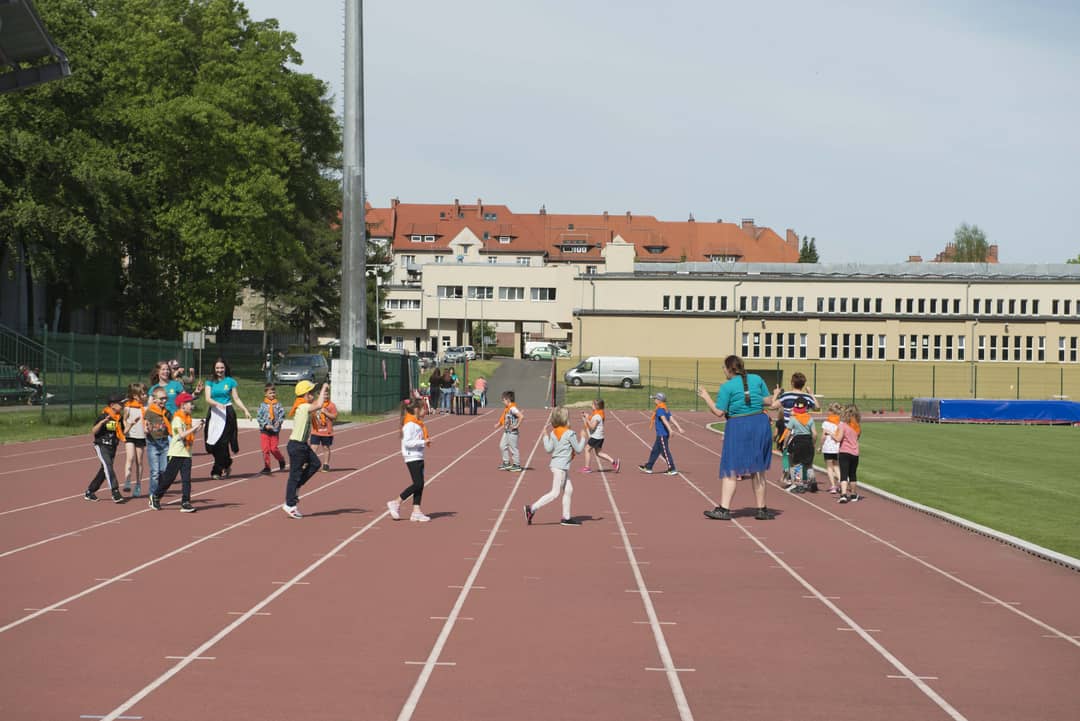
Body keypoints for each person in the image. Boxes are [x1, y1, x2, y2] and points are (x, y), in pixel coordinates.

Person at [697, 355, 775, 521]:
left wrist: (706, 396)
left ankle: (724, 509)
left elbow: (719, 412)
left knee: (730, 468)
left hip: (738, 425)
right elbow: (769, 401)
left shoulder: (727, 387)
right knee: (758, 470)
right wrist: (752, 398)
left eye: (723, 368)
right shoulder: (757, 379)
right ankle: (762, 509)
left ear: (728, 369)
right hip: (760, 424)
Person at [523, 406, 587, 526]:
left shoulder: (553, 432)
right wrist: (583, 437)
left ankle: (566, 517)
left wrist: (545, 436)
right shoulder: (570, 434)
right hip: (561, 468)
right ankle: (531, 509)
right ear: (565, 419)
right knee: (555, 493)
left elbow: (548, 449)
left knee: (568, 490)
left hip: (557, 466)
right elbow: (578, 450)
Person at [149, 392, 203, 513]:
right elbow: (181, 435)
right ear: (183, 405)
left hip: (187, 453)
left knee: (186, 479)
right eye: (190, 403)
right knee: (169, 478)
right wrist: (194, 427)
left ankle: (185, 502)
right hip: (176, 454)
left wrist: (199, 427)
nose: (192, 406)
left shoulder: (187, 419)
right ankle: (156, 496)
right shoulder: (178, 419)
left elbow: (190, 434)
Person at [282, 380, 328, 519]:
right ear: (306, 395)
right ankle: (290, 505)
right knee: (294, 476)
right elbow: (319, 405)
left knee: (315, 464)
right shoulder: (303, 406)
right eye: (312, 392)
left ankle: (297, 486)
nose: (313, 395)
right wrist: (324, 387)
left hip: (302, 445)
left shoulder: (305, 407)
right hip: (297, 446)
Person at [203, 357, 251, 479]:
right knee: (212, 444)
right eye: (217, 368)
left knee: (223, 443)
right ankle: (227, 462)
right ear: (214, 369)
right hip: (214, 413)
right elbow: (207, 398)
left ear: (225, 368)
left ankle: (216, 471)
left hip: (227, 413)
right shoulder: (209, 381)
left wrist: (245, 410)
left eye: (222, 368)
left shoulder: (230, 381)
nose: (219, 370)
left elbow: (236, 398)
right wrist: (217, 404)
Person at [387, 397, 432, 522]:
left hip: (418, 455)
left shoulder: (417, 424)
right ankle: (396, 502)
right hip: (411, 456)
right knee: (418, 483)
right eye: (424, 408)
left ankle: (416, 511)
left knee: (420, 484)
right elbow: (407, 443)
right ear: (416, 410)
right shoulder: (410, 425)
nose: (425, 411)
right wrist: (423, 442)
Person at [773, 372, 818, 487]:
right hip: (805, 431)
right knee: (806, 460)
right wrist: (811, 394)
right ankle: (809, 480)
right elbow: (817, 407)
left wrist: (776, 394)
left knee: (793, 460)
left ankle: (797, 483)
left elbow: (773, 406)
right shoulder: (807, 397)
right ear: (803, 384)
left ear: (792, 383)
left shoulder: (786, 396)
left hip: (791, 431)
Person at [84, 393, 128, 504]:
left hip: (112, 447)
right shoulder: (104, 416)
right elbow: (94, 431)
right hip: (102, 445)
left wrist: (131, 424)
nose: (123, 406)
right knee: (108, 466)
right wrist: (102, 423)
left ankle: (90, 491)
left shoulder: (119, 418)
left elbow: (122, 433)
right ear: (112, 405)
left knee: (105, 470)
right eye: (121, 404)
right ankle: (115, 491)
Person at [638, 392, 682, 475]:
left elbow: (664, 420)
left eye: (655, 398)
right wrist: (679, 427)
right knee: (655, 451)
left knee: (665, 452)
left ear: (659, 400)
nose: (654, 400)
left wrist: (670, 430)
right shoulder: (665, 408)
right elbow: (672, 418)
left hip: (662, 435)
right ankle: (649, 467)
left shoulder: (660, 410)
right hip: (661, 434)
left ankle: (672, 469)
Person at [782, 398, 818, 493]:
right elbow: (815, 434)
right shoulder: (810, 419)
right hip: (808, 441)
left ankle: (799, 485)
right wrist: (813, 443)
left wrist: (785, 444)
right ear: (806, 408)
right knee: (809, 464)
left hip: (798, 441)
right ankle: (812, 480)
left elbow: (788, 433)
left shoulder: (793, 419)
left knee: (796, 464)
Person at [144, 386, 172, 498]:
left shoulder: (167, 413)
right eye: (161, 399)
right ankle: (153, 495)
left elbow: (171, 424)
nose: (164, 401)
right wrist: (147, 429)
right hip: (153, 444)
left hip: (164, 443)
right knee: (154, 472)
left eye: (165, 398)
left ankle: (159, 491)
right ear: (154, 399)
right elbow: (145, 426)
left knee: (164, 470)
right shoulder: (150, 412)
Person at [121, 382, 148, 497]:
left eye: (146, 393)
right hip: (130, 435)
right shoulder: (128, 407)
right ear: (136, 396)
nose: (145, 395)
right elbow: (124, 419)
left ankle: (138, 485)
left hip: (141, 436)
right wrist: (127, 427)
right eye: (143, 394)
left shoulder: (146, 407)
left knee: (139, 461)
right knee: (130, 458)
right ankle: (127, 481)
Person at [580, 398, 619, 473]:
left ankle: (587, 468)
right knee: (598, 453)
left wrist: (587, 419)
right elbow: (589, 424)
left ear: (596, 406)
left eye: (592, 404)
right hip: (599, 437)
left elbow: (592, 427)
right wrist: (585, 418)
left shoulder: (597, 416)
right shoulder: (596, 414)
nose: (591, 405)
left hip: (596, 437)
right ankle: (614, 462)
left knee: (587, 449)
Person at [834, 404, 863, 504]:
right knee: (853, 474)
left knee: (844, 474)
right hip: (855, 453)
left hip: (844, 452)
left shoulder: (842, 425)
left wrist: (832, 434)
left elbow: (838, 439)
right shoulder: (857, 426)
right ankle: (853, 494)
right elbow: (857, 437)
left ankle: (843, 494)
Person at [257, 383, 287, 475]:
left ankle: (281, 459)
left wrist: (279, 422)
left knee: (273, 449)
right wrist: (265, 425)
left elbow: (282, 415)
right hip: (265, 430)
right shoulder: (262, 405)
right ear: (265, 394)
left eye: (273, 393)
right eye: (270, 393)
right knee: (265, 449)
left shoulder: (278, 405)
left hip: (274, 430)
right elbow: (259, 417)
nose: (272, 394)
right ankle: (267, 467)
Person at [310, 383, 338, 471]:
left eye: (327, 394)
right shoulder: (314, 404)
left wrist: (326, 412)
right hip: (316, 431)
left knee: (326, 447)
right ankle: (310, 462)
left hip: (327, 432)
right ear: (319, 396)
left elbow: (334, 417)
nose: (326, 396)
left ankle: (326, 464)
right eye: (324, 395)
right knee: (313, 447)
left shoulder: (331, 405)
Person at [495, 390, 524, 471]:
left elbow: (521, 416)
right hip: (506, 431)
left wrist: (516, 425)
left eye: (503, 400)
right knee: (502, 445)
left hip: (512, 432)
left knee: (513, 448)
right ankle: (506, 462)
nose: (502, 401)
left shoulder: (512, 408)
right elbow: (503, 417)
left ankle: (517, 465)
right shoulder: (507, 408)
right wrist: (499, 424)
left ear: (508, 400)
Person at [819, 402, 843, 493]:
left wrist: (820, 446)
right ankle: (841, 482)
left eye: (829, 410)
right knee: (836, 466)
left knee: (829, 467)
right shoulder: (840, 423)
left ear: (832, 412)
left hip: (828, 448)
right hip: (837, 447)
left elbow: (823, 436)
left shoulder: (826, 423)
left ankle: (833, 486)